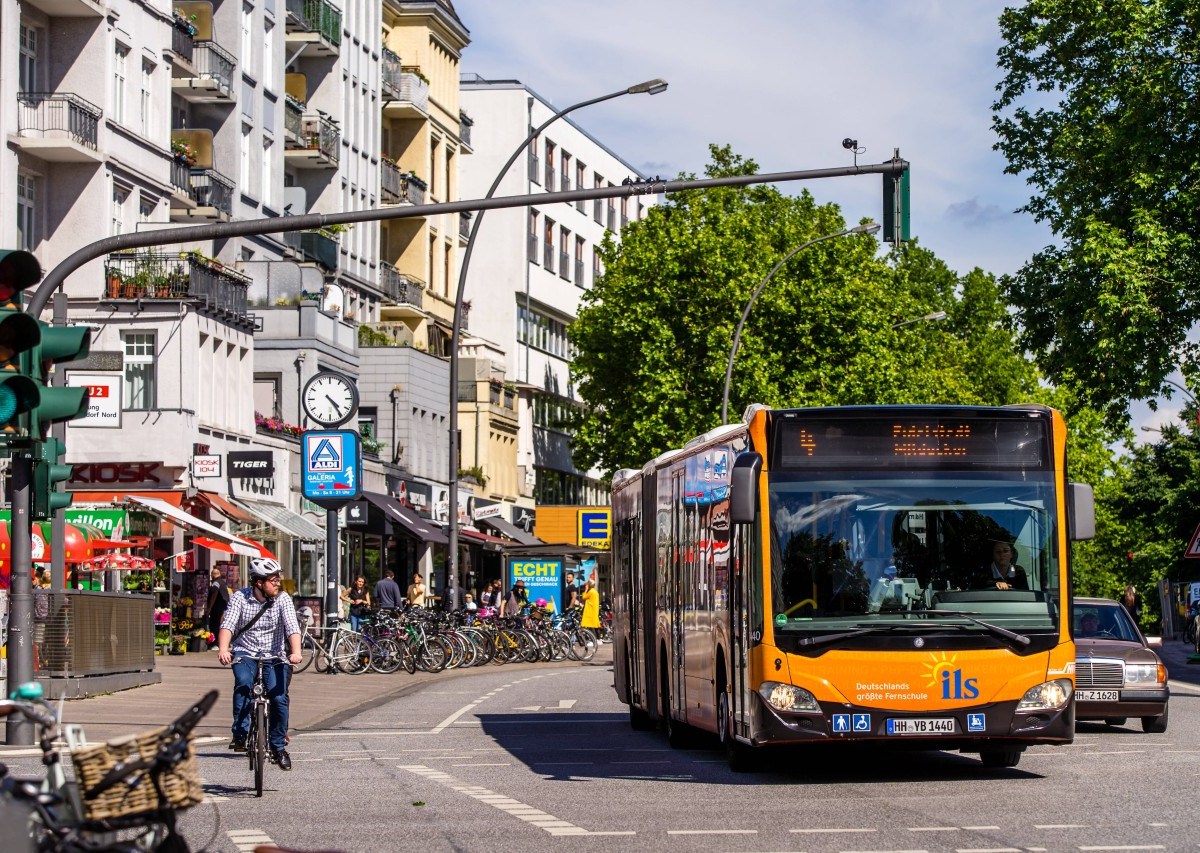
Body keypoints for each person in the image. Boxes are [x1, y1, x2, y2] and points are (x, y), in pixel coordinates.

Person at [217, 557, 302, 771]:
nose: (277, 583)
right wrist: (224, 649)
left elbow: (292, 627)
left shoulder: (283, 599)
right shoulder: (240, 598)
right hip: (245, 653)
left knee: (279, 698)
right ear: (259, 582)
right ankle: (240, 733)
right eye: (273, 580)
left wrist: (296, 652)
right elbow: (228, 624)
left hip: (275, 655)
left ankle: (278, 746)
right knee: (244, 684)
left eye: (277, 579)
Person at [206, 567, 229, 647]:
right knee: (221, 625)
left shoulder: (216, 583)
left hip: (217, 608)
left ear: (212, 575)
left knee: (214, 625)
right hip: (223, 607)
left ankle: (214, 643)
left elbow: (214, 595)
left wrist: (209, 608)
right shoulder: (222, 582)